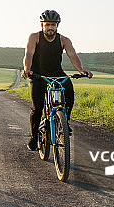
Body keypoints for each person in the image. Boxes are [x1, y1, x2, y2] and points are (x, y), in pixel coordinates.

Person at [20, 10, 92, 151]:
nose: (50, 27)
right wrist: (27, 69)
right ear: (42, 25)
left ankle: (64, 122)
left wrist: (81, 70)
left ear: (57, 25)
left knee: (69, 92)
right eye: (47, 25)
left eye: (53, 24)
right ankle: (34, 137)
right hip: (38, 74)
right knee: (37, 108)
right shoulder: (34, 37)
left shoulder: (63, 40)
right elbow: (28, 54)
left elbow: (72, 55)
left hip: (57, 73)